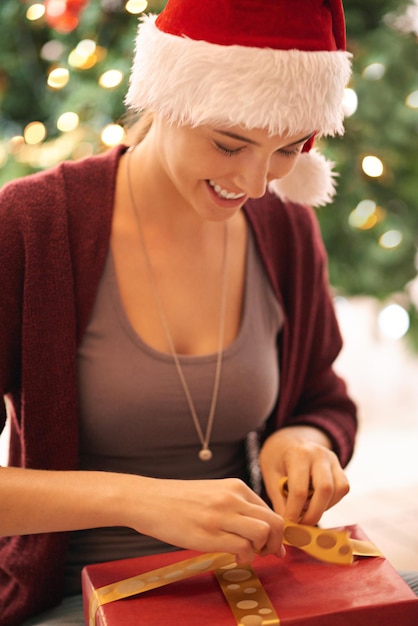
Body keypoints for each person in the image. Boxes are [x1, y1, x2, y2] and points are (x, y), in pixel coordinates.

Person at [0, 0, 361, 624]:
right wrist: (134, 500)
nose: (254, 185)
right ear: (165, 96)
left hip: (251, 586)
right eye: (229, 144)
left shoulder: (286, 227)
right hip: (74, 597)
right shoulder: (32, 225)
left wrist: (304, 439)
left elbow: (323, 399)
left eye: (287, 151)